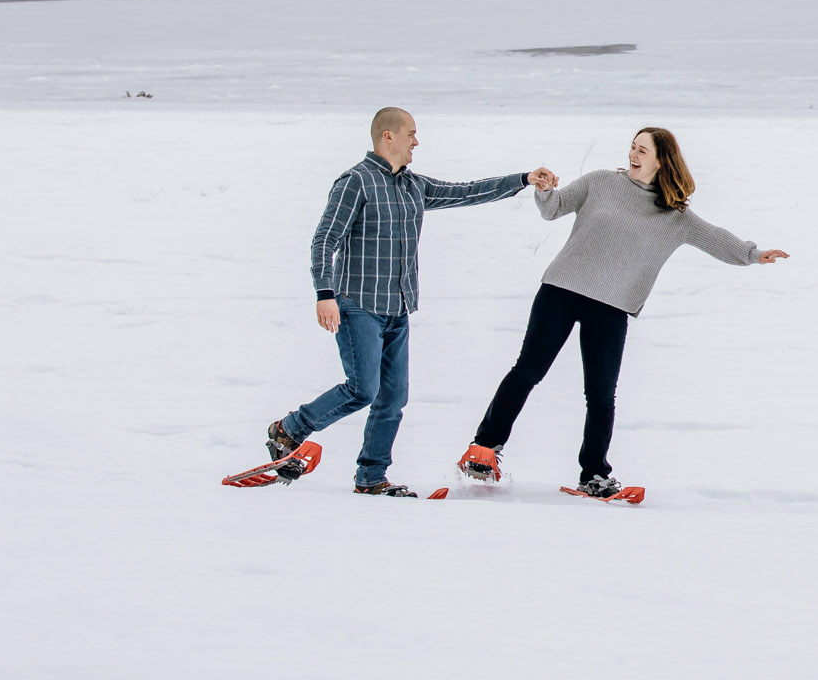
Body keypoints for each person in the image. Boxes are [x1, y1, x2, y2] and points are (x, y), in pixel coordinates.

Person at [457, 126, 789, 498]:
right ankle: (484, 450)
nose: (633, 154)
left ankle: (594, 474)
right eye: (632, 147)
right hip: (561, 290)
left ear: (662, 160)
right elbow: (553, 209)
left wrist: (753, 255)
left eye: (642, 150)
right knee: (527, 372)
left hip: (612, 306)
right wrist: (544, 188)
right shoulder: (600, 182)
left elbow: (715, 237)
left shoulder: (675, 216)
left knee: (601, 395)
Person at [265, 107, 557, 497]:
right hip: (358, 305)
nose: (416, 141)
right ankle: (290, 429)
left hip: (397, 310)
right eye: (411, 134)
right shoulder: (355, 182)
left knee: (393, 399)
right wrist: (325, 294)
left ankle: (371, 476)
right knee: (361, 389)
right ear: (388, 136)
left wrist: (522, 179)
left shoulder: (412, 186)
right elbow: (324, 240)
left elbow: (465, 191)